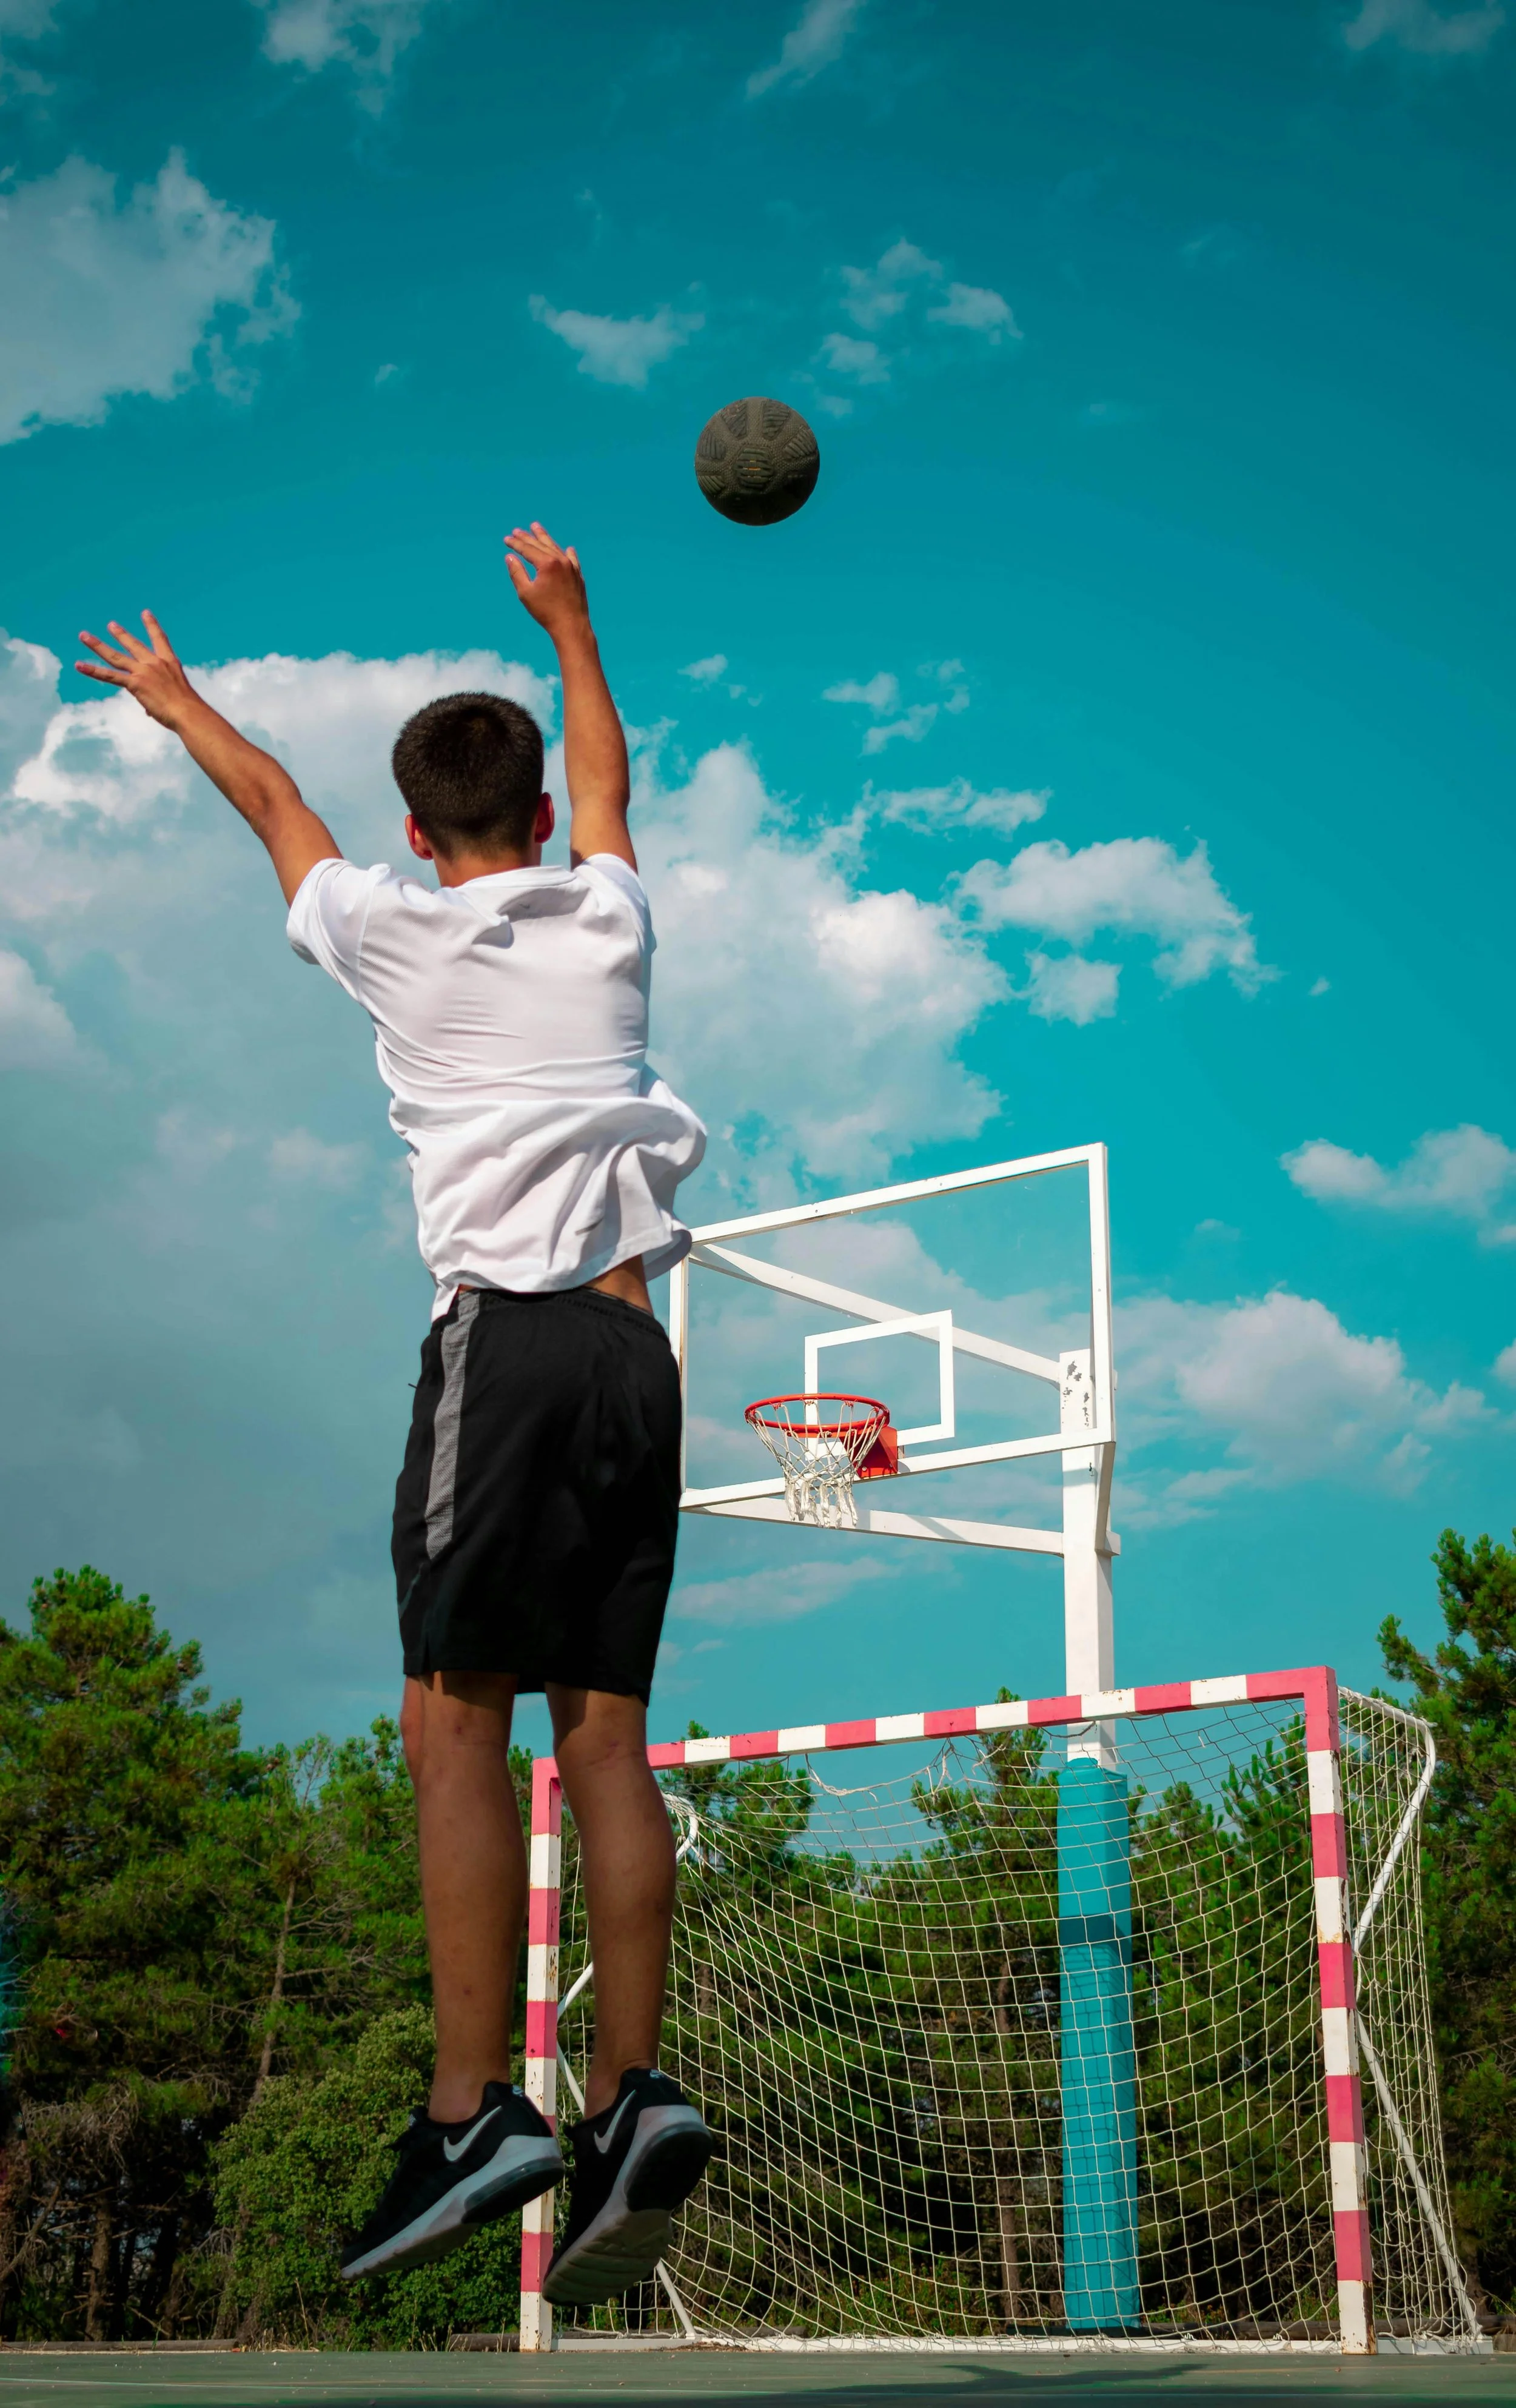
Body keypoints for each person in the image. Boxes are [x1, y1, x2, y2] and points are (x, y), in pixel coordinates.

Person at [75, 527, 713, 2306]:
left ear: (420, 840)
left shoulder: (387, 935)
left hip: (501, 1353)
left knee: (451, 1723)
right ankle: (631, 2094)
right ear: (538, 817)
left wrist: (172, 696)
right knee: (607, 1739)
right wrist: (576, 617)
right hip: (631, 1359)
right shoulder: (610, 915)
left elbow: (273, 801)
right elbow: (607, 771)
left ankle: (467, 2114)